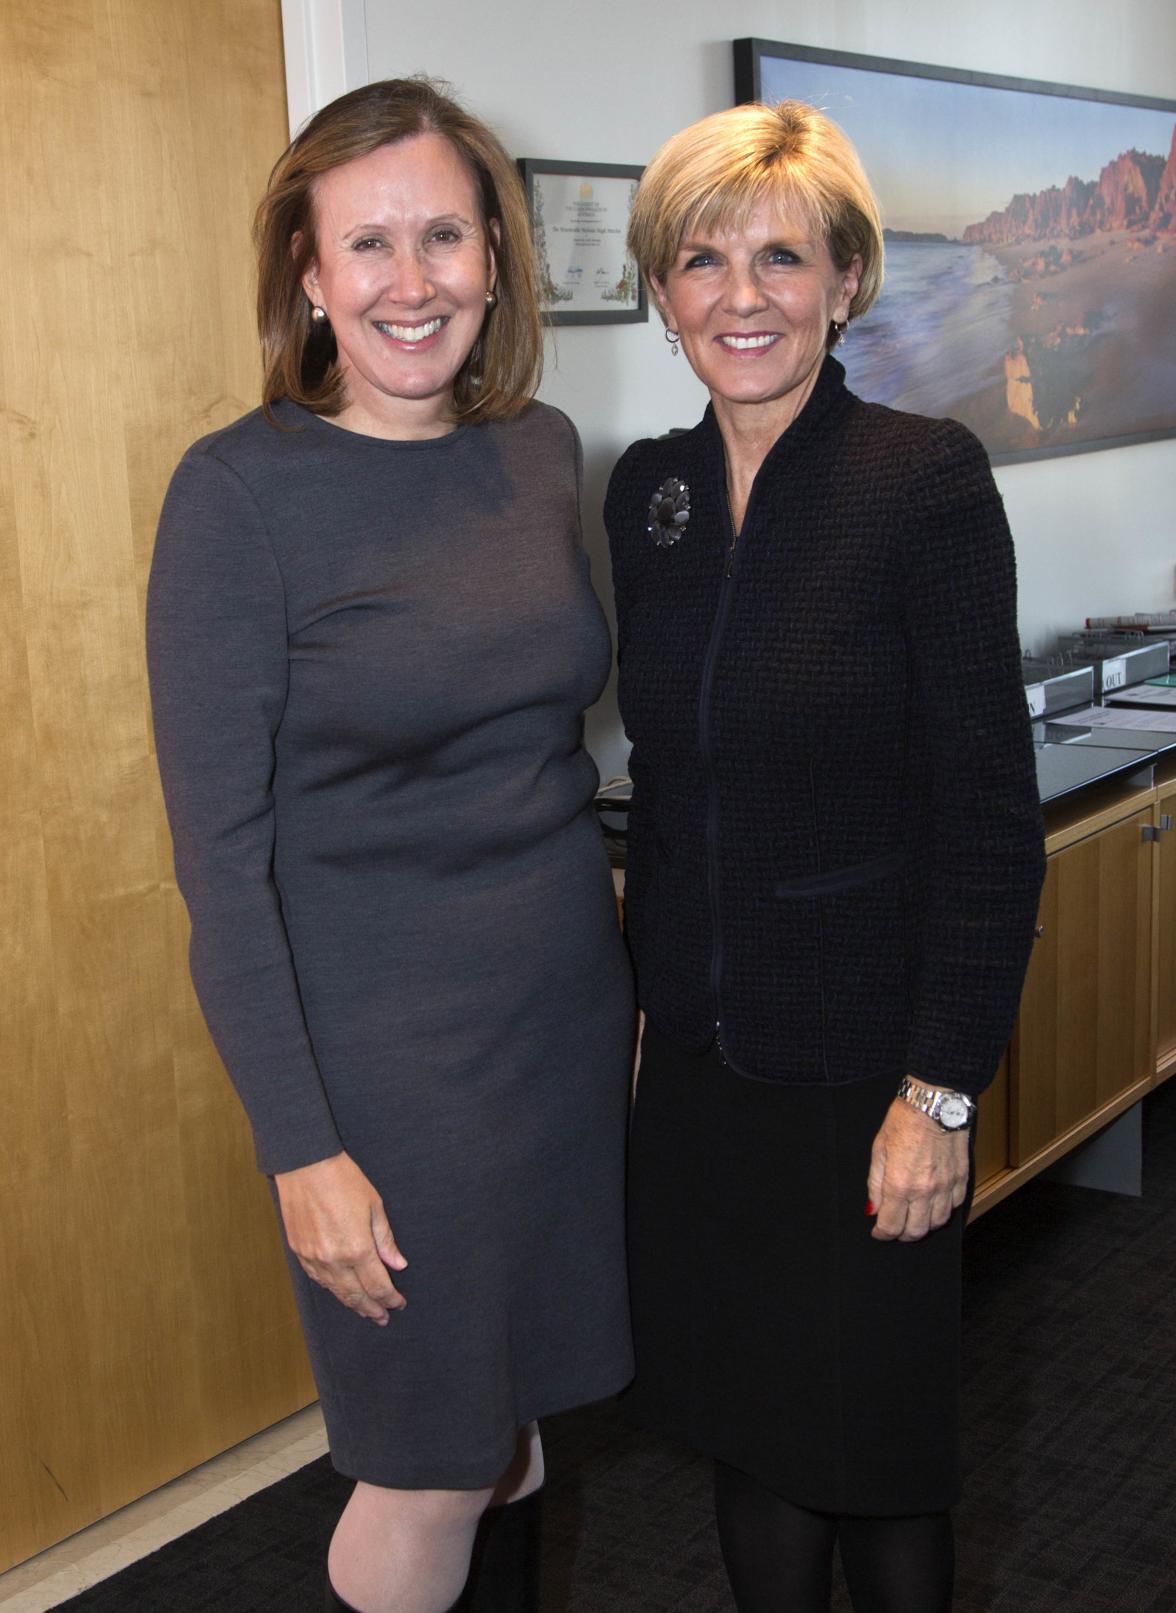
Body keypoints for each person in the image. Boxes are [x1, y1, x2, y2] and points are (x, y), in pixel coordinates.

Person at [147, 78, 634, 1613]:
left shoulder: (543, 451)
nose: (409, 282)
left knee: (517, 1435)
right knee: (424, 1465)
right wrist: (301, 1147)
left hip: (556, 1026)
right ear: (306, 271)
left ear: (495, 254)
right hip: (388, 1076)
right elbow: (221, 863)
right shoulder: (239, 497)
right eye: (367, 244)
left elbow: (543, 751)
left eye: (442, 234)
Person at [605, 100, 1045, 1613]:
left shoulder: (920, 482)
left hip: (868, 1080)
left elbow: (989, 821)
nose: (742, 297)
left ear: (846, 280)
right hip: (711, 1078)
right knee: (751, 1435)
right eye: (702, 261)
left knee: (878, 1460)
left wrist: (940, 1090)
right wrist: (648, 1019)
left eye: (781, 257)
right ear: (663, 290)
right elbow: (667, 790)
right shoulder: (648, 498)